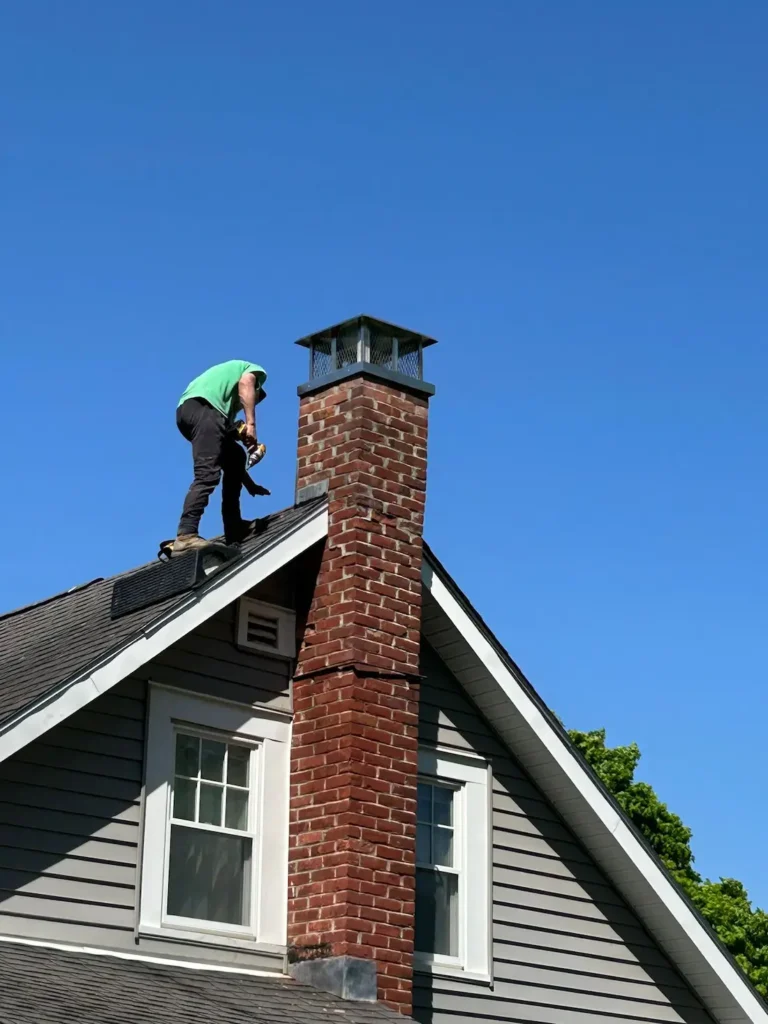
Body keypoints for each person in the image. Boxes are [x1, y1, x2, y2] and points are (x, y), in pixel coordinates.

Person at [173, 359, 267, 552]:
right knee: (207, 474)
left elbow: (224, 447)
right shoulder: (252, 372)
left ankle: (234, 527)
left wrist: (249, 484)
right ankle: (186, 535)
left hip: (191, 411)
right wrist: (251, 424)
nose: (246, 404)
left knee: (235, 456)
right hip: (203, 409)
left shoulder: (224, 402)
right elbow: (246, 382)